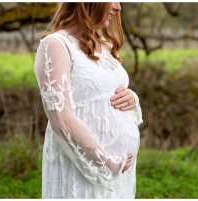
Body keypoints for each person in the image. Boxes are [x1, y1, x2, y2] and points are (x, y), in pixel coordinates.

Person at [33, 2, 143, 199]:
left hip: (121, 173)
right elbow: (60, 117)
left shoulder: (104, 44)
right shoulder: (56, 45)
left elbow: (103, 92)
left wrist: (131, 98)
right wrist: (107, 162)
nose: (118, 7)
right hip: (84, 169)